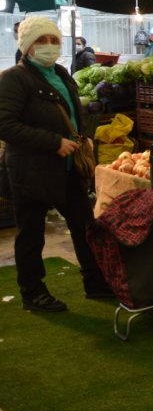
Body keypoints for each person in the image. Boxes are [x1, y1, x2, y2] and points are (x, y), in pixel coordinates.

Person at [0, 17, 112, 312]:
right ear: (27, 45)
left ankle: (95, 282)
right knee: (31, 234)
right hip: (31, 170)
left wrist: (83, 137)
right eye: (41, 40)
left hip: (69, 167)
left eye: (53, 40)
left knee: (85, 226)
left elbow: (72, 113)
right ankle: (33, 293)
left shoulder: (61, 73)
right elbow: (5, 125)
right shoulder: (14, 78)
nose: (49, 46)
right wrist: (53, 142)